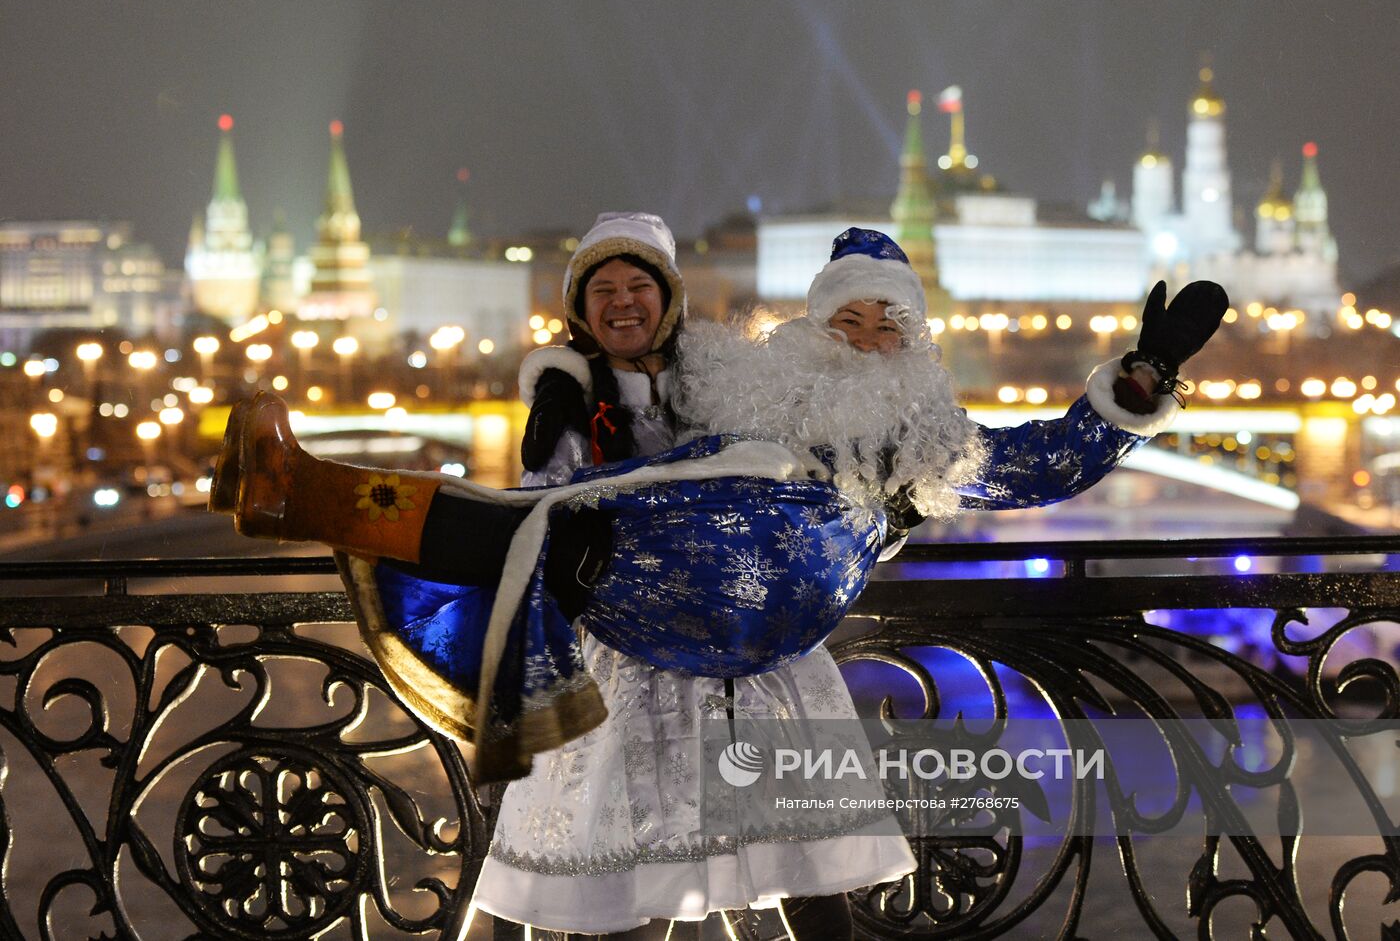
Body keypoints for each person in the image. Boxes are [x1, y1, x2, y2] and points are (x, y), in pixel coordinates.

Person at [211, 221, 1227, 935]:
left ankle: (303, 491)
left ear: (914, 347)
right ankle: (298, 491)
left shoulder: (926, 441)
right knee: (529, 523)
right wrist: (572, 386)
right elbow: (637, 382)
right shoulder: (744, 398)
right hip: (652, 593)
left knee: (799, 867)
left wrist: (1132, 389)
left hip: (767, 662)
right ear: (811, 331)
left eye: (889, 327)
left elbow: (1040, 463)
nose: (868, 341)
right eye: (850, 322)